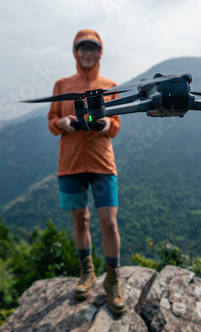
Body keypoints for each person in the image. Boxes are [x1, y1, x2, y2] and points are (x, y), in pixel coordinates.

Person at [47, 29, 125, 315]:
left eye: (93, 48)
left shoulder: (110, 85)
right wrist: (63, 123)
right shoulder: (62, 84)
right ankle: (87, 273)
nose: (88, 53)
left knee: (109, 223)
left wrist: (108, 125)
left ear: (100, 52)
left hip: (102, 162)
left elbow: (116, 123)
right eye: (83, 49)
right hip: (69, 164)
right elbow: (51, 119)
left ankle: (112, 281)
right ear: (75, 52)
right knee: (80, 220)